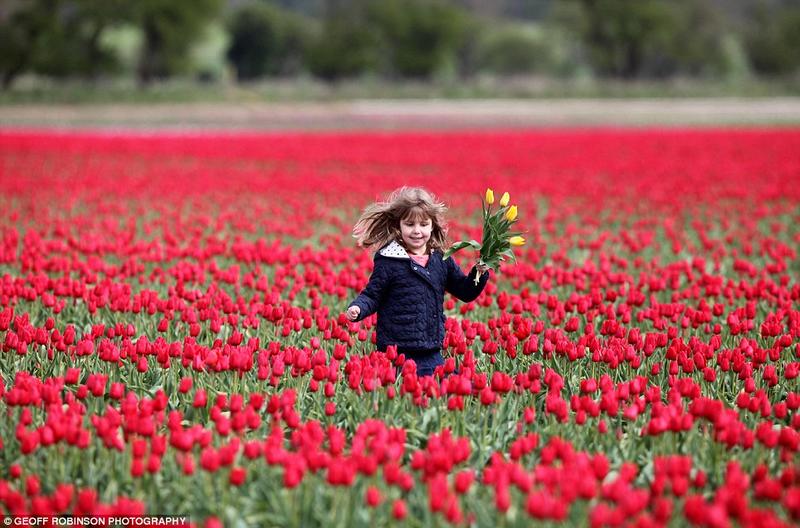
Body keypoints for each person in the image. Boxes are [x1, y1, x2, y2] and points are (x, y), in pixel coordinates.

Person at [345, 187, 489, 377]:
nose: (417, 231)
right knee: (404, 393)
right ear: (399, 226)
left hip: (430, 349)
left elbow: (465, 291)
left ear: (432, 226)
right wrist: (358, 308)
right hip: (396, 351)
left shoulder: (441, 259)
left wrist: (478, 274)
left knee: (448, 389)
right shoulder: (389, 260)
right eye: (410, 224)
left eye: (423, 224)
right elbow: (373, 294)